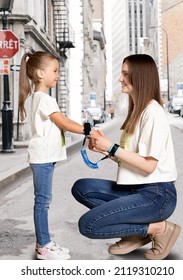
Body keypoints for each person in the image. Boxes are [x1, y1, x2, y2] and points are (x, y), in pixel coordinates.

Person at [72, 54, 181, 260]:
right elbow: (133, 160)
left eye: (125, 73)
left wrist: (112, 148)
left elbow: (149, 166)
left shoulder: (153, 113)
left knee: (88, 225)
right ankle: (133, 232)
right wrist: (106, 150)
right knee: (82, 188)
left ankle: (157, 229)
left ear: (139, 77)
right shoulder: (137, 111)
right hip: (135, 189)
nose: (120, 78)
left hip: (157, 196)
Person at [19, 51, 95, 260]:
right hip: (42, 158)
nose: (58, 75)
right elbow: (63, 122)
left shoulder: (39, 98)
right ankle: (44, 246)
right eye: (55, 71)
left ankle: (45, 243)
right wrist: (87, 130)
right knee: (42, 202)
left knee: (43, 201)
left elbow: (62, 121)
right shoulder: (45, 99)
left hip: (43, 157)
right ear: (40, 73)